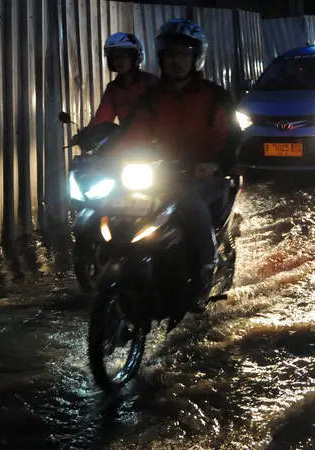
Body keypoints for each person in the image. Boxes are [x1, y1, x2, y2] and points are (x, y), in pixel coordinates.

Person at [109, 18, 240, 312]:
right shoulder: (152, 98)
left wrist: (215, 163)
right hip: (167, 172)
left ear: (196, 57)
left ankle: (206, 268)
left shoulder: (214, 96)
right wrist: (109, 160)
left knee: (190, 204)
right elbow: (132, 133)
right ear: (161, 57)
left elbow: (231, 137)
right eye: (170, 54)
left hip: (207, 175)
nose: (176, 61)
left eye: (183, 54)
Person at [88, 32, 159, 128]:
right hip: (127, 139)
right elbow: (103, 116)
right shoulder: (113, 89)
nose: (119, 61)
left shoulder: (150, 82)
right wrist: (87, 133)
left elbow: (164, 114)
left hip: (154, 139)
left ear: (134, 57)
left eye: (124, 56)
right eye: (115, 57)